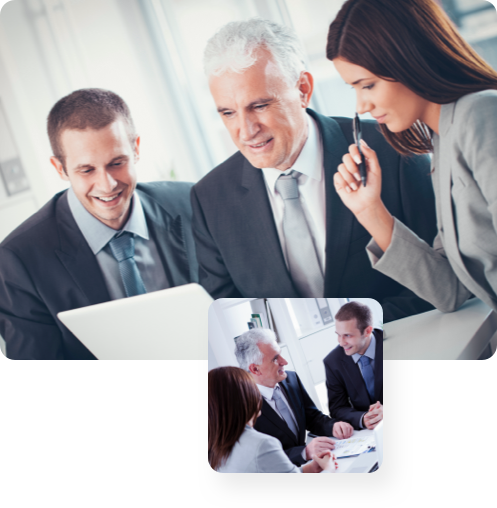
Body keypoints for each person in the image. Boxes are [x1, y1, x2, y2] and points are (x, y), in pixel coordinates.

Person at [191, 18, 439, 322]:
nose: (246, 131)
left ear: (303, 89)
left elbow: (438, 282)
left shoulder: (393, 151)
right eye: (228, 113)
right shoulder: (209, 199)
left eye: (259, 106)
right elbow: (228, 314)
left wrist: (355, 340)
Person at [327, 0, 497, 326]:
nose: (362, 105)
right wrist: (369, 210)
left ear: (408, 58)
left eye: (368, 85)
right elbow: (450, 290)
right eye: (355, 89)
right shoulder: (442, 143)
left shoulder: (481, 116)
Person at [0, 88, 198, 360]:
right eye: (87, 170)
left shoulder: (191, 204)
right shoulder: (21, 259)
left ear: (136, 149)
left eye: (117, 162)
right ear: (60, 168)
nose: (107, 185)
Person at [234, 328, 353, 467]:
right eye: (275, 359)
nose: (284, 362)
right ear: (255, 369)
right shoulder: (242, 406)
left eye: (280, 354)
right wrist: (304, 452)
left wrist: (333, 426)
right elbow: (259, 460)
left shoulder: (291, 379)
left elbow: (313, 417)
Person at [208, 366, 338, 473]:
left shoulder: (217, 447)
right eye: (252, 388)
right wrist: (329, 469)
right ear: (242, 399)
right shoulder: (261, 444)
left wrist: (307, 469)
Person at [323, 302, 383, 430]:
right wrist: (363, 418)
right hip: (369, 433)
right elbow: (337, 408)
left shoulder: (394, 344)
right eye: (338, 335)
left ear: (367, 331)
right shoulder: (333, 362)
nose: (341, 343)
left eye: (347, 335)